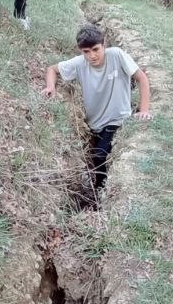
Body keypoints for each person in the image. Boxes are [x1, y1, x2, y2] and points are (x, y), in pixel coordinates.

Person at [42, 25, 152, 197]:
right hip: (94, 125)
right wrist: (50, 87)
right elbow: (52, 69)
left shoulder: (116, 55)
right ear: (81, 51)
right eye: (86, 51)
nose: (92, 55)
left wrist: (143, 110)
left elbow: (141, 78)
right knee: (96, 154)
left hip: (118, 119)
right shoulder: (79, 63)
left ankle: (100, 192)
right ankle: (96, 189)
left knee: (100, 156)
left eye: (95, 49)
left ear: (104, 45)